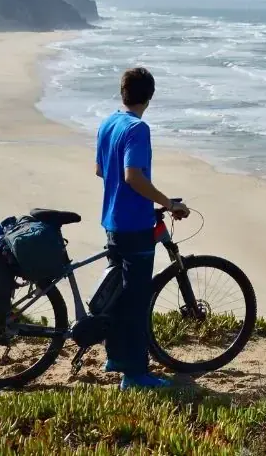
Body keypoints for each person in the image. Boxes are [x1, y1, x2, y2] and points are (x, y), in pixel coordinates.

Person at [94, 66, 189, 389]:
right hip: (135, 225)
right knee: (136, 302)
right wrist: (168, 202)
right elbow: (133, 176)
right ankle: (134, 374)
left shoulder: (108, 123)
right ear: (150, 96)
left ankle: (115, 356)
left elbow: (100, 170)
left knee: (117, 296)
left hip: (111, 221)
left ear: (123, 93)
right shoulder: (138, 129)